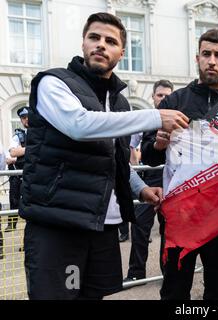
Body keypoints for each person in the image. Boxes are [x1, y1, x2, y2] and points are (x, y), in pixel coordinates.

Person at [19, 12, 189, 300]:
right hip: (60, 224)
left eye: (110, 41)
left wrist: (142, 189)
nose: (101, 45)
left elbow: (117, 159)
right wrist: (154, 117)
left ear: (121, 53)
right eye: (94, 37)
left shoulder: (120, 101)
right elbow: (80, 125)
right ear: (83, 43)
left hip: (103, 226)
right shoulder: (54, 83)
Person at [141, 29, 218, 300]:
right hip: (181, 218)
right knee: (174, 291)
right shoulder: (174, 102)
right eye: (206, 54)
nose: (211, 61)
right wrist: (158, 144)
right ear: (197, 58)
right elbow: (148, 155)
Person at [123, 79, 174, 285]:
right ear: (153, 97)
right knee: (139, 227)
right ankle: (136, 273)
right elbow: (128, 148)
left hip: (172, 182)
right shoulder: (144, 121)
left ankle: (168, 273)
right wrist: (134, 168)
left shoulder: (180, 121)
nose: (163, 99)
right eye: (160, 95)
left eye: (167, 96)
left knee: (169, 230)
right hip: (148, 181)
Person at [5, 106, 29, 232]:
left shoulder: (40, 133)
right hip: (18, 175)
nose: (26, 120)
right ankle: (12, 224)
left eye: (28, 117)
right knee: (14, 200)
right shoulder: (18, 136)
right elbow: (12, 153)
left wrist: (22, 151)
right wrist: (31, 150)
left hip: (32, 175)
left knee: (30, 205)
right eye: (23, 118)